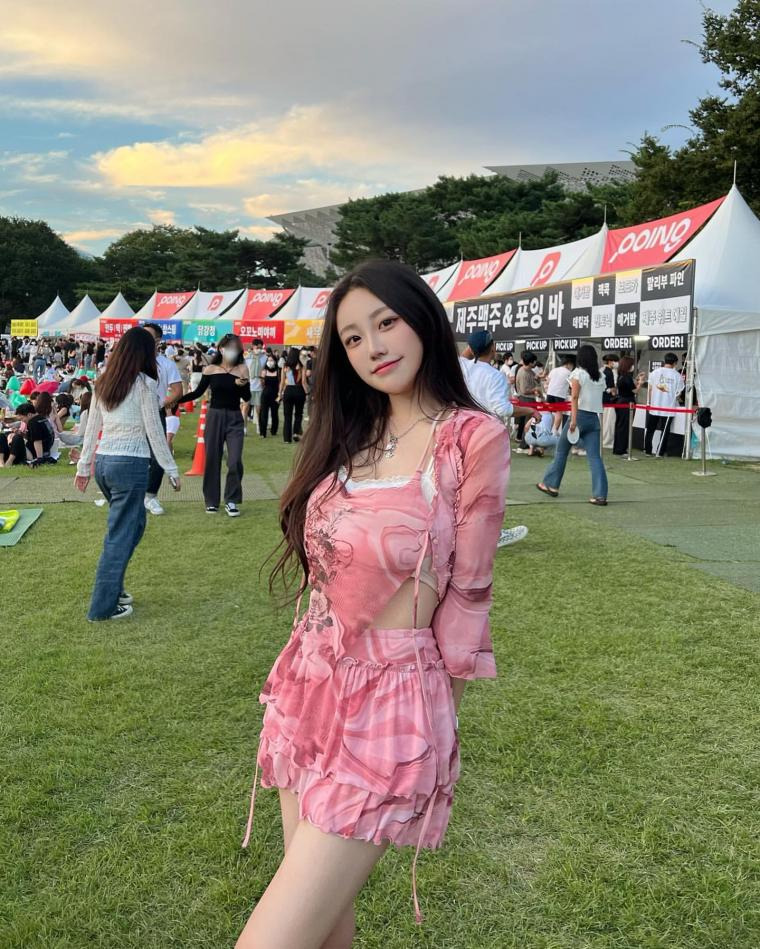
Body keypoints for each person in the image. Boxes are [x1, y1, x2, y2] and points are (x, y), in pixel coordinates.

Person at [236, 259, 509, 946]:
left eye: (386, 322)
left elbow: (469, 595)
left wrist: (436, 727)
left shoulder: (470, 439)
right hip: (309, 685)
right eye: (353, 338)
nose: (374, 347)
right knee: (325, 926)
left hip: (391, 704)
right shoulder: (350, 432)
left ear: (423, 320)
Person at [74, 327, 180, 621]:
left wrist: (85, 465)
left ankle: (114, 589)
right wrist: (171, 468)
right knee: (121, 534)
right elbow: (154, 431)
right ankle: (103, 607)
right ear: (145, 354)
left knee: (134, 525)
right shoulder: (144, 384)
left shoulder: (104, 381)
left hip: (105, 465)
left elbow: (92, 428)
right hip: (129, 465)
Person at [458, 329, 531, 548]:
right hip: (485, 435)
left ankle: (462, 532)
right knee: (489, 488)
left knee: (464, 485)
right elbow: (503, 409)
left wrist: (473, 348)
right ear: (493, 348)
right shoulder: (495, 375)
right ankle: (491, 534)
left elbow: (464, 355)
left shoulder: (462, 367)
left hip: (461, 431)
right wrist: (529, 410)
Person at [174, 333, 251, 516]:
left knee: (235, 460)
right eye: (229, 348)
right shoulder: (211, 369)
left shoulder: (242, 369)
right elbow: (197, 392)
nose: (232, 351)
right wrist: (176, 400)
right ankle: (211, 501)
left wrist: (241, 386)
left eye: (236, 348)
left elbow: (247, 397)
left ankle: (231, 500)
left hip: (234, 417)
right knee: (212, 459)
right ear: (221, 349)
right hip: (214, 416)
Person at [537, 344, 609, 505]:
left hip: (579, 416)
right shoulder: (600, 376)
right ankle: (600, 495)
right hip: (594, 419)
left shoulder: (578, 374)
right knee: (595, 458)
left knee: (561, 451)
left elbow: (574, 398)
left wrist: (574, 421)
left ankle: (551, 485)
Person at [142, 323, 183, 516]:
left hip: (155, 413)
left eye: (148, 336)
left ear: (158, 341)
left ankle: (150, 495)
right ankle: (132, 495)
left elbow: (177, 390)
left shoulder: (166, 364)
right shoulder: (131, 361)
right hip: (132, 414)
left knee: (158, 454)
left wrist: (161, 403)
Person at [645, 352, 685, 457]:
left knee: (650, 429)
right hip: (669, 408)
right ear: (675, 363)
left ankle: (648, 451)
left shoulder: (655, 372)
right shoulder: (677, 376)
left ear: (665, 361)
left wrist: (650, 402)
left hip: (654, 406)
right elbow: (679, 393)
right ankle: (660, 452)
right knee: (665, 431)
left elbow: (650, 389)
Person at [613, 357, 645, 455]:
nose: (633, 367)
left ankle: (619, 448)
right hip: (626, 403)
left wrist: (637, 379)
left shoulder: (622, 376)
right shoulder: (626, 377)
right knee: (624, 427)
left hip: (621, 402)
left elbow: (630, 386)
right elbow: (634, 390)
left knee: (620, 426)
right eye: (632, 365)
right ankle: (621, 449)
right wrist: (640, 383)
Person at [514, 351, 542, 447]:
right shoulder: (523, 373)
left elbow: (535, 380)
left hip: (529, 399)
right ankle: (524, 444)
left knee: (529, 422)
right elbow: (524, 390)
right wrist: (535, 389)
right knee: (529, 422)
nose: (535, 363)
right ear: (530, 363)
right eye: (534, 362)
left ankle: (527, 443)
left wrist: (538, 379)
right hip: (526, 399)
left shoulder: (529, 371)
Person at [279, 347, 306, 443]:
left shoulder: (285, 366)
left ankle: (287, 438)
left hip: (288, 390)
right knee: (298, 414)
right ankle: (296, 434)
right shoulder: (301, 366)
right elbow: (303, 382)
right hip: (299, 390)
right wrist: (307, 392)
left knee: (287, 415)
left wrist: (280, 393)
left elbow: (282, 381)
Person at [544, 353, 576, 433]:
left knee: (548, 412)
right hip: (559, 394)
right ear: (569, 364)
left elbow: (548, 381)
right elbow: (573, 385)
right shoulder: (568, 373)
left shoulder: (554, 370)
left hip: (550, 393)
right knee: (559, 412)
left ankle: (546, 429)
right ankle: (555, 430)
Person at [258, 352, 280, 437]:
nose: (270, 362)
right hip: (265, 394)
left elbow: (280, 383)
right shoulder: (264, 371)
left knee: (274, 413)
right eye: (268, 360)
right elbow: (262, 384)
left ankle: (274, 430)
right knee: (264, 413)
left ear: (275, 361)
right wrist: (262, 378)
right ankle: (263, 432)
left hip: (275, 395)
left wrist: (280, 395)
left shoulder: (278, 371)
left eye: (271, 360)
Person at [601, 353, 619, 449]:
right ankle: (606, 440)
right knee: (608, 422)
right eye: (615, 361)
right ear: (610, 362)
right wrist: (613, 389)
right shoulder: (609, 372)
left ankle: (604, 439)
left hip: (604, 400)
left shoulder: (603, 370)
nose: (617, 363)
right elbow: (609, 388)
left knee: (605, 421)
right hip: (608, 401)